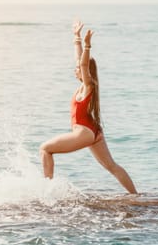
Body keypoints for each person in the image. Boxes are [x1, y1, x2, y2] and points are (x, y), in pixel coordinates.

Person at [39, 21, 138, 194]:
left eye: (77, 69)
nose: (75, 69)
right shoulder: (85, 86)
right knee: (112, 166)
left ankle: (46, 192)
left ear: (86, 72)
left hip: (84, 133)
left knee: (45, 149)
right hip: (94, 132)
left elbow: (83, 64)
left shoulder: (88, 86)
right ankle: (136, 196)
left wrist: (87, 45)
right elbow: (80, 60)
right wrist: (76, 37)